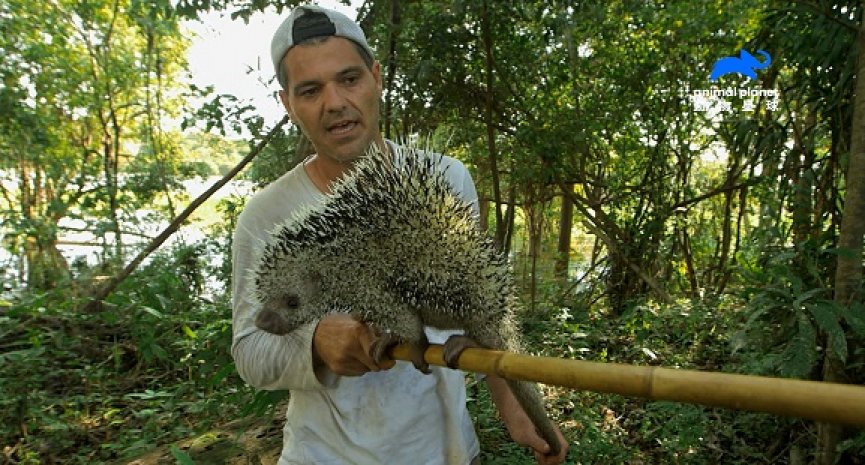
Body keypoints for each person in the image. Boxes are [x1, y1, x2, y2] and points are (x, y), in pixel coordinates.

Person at [230, 5, 569, 464]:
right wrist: (315, 343)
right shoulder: (265, 214)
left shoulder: (446, 178)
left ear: (375, 77)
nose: (334, 102)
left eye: (349, 79)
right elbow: (250, 350)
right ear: (288, 103)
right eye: (310, 90)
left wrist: (515, 407)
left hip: (445, 449)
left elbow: (482, 299)